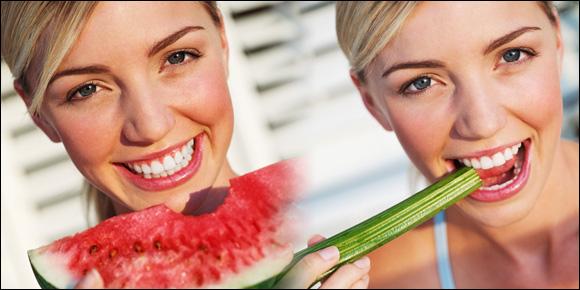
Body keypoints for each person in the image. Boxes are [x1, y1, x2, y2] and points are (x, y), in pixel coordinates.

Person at [1, 2, 370, 288]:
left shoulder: (380, 243)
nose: (150, 125)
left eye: (177, 57)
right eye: (87, 90)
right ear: (40, 115)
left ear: (223, 45)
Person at [336, 1, 578, 288]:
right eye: (422, 83)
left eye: (513, 55)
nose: (482, 123)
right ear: (372, 103)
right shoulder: (380, 281)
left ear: (558, 41)